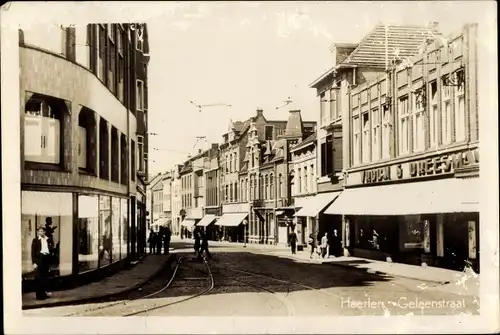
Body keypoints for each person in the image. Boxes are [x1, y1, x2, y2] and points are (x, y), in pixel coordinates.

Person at [31, 227, 51, 300]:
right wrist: (34, 262)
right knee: (39, 277)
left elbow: (50, 248)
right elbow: (33, 252)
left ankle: (44, 294)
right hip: (39, 259)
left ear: (44, 232)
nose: (40, 233)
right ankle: (39, 295)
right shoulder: (36, 240)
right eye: (39, 231)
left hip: (46, 258)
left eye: (42, 231)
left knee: (44, 277)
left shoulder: (48, 239)